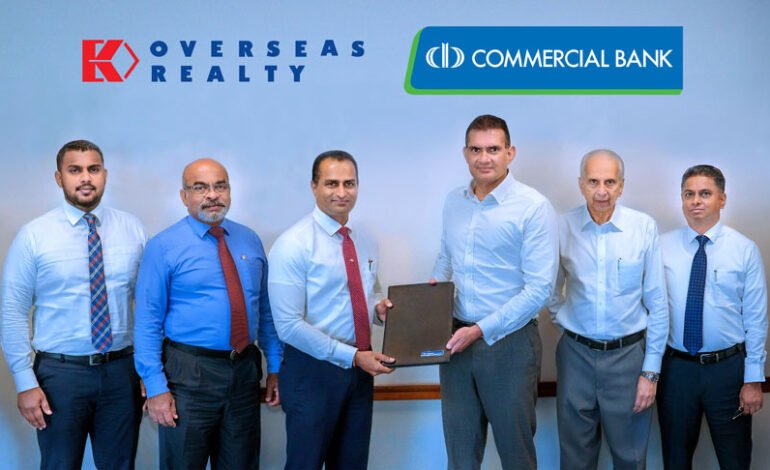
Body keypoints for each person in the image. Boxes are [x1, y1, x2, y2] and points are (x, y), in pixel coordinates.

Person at [0, 139, 146, 469]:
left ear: (105, 174)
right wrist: (25, 382)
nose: (85, 178)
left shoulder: (132, 229)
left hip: (122, 372)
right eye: (74, 170)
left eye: (93, 169)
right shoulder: (34, 236)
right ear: (59, 177)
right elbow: (12, 312)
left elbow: (150, 307)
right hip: (60, 376)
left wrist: (149, 370)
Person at [133, 158, 282, 470]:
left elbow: (265, 311)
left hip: (244, 372)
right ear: (184, 196)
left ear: (229, 191)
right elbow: (147, 322)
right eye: (200, 188)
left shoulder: (249, 239)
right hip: (188, 374)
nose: (212, 195)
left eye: (220, 186)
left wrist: (275, 367)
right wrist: (156, 387)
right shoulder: (163, 246)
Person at [430, 115, 558, 469]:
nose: (484, 158)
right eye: (476, 150)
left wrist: (480, 330)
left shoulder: (533, 207)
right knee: (460, 455)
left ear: (509, 153)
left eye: (493, 149)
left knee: (516, 455)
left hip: (509, 345)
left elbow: (540, 289)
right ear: (465, 153)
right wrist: (424, 303)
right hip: (455, 343)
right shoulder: (453, 201)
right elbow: (445, 259)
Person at [268, 150, 394, 470]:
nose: (341, 192)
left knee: (352, 464)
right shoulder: (293, 244)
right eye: (331, 183)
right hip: (312, 372)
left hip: (359, 372)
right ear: (314, 186)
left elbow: (369, 291)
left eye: (349, 183)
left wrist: (379, 309)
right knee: (305, 464)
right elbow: (288, 325)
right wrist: (352, 356)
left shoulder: (364, 240)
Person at [548, 149, 668, 469]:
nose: (601, 191)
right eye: (593, 182)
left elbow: (657, 304)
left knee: (630, 457)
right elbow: (549, 290)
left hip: (628, 358)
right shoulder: (562, 227)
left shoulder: (642, 227)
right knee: (575, 458)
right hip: (575, 357)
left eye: (610, 182)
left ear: (621, 186)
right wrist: (570, 325)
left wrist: (650, 373)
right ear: (581, 184)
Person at [658, 164, 767, 470]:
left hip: (727, 371)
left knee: (734, 460)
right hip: (677, 370)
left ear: (722, 199)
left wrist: (753, 379)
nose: (696, 201)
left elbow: (756, 318)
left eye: (705, 193)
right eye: (688, 194)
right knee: (675, 459)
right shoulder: (661, 247)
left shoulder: (744, 249)